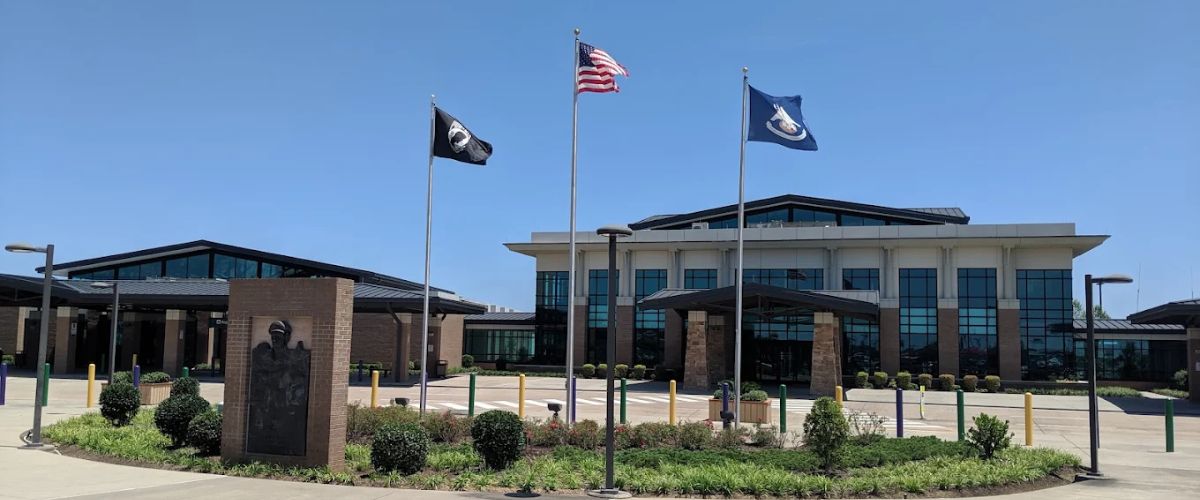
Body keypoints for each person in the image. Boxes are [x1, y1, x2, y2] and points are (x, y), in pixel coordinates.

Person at [247, 320, 311, 456]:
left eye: (279, 336)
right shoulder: (263, 355)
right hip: (267, 407)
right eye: (273, 336)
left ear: (286, 338)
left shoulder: (296, 357)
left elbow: (299, 380)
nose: (275, 339)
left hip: (286, 408)